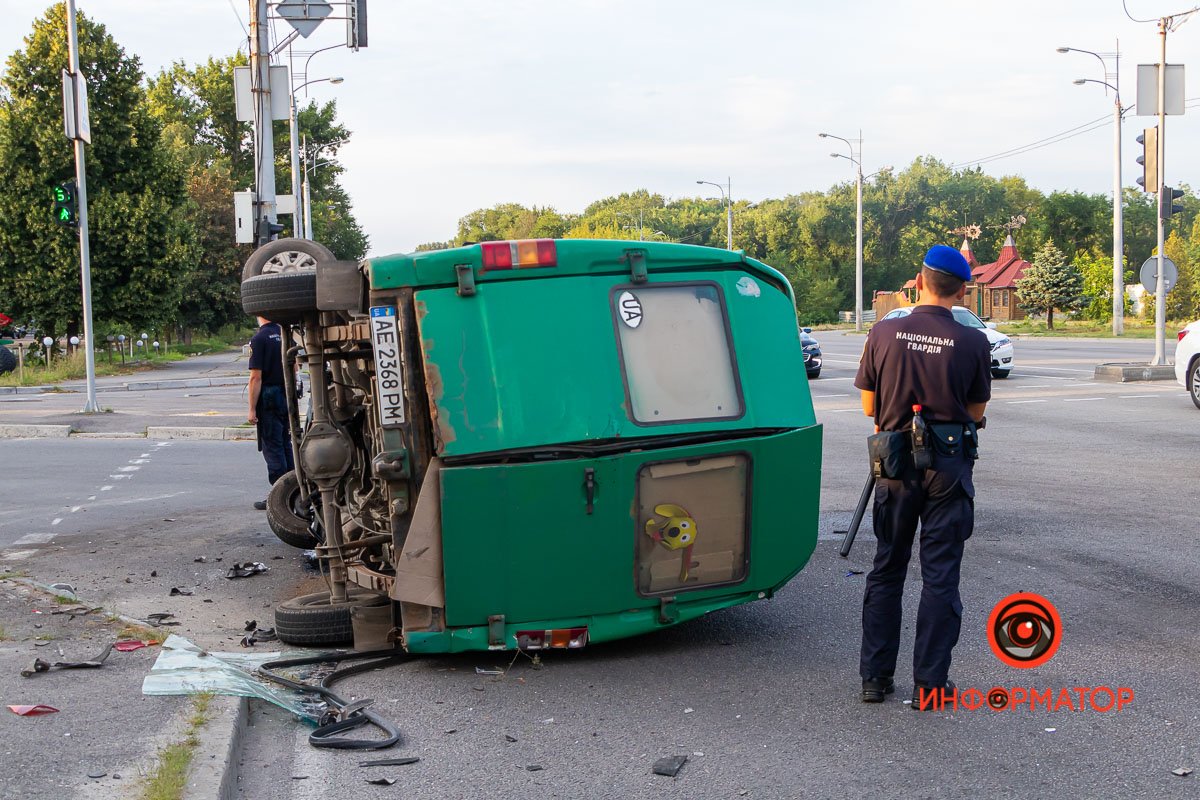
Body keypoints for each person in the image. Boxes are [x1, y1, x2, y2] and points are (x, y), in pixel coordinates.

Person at [853, 244, 991, 709]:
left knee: (887, 568)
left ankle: (875, 679)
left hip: (894, 465)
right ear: (963, 290)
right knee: (940, 575)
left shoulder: (884, 332)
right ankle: (930, 685)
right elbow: (976, 411)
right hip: (948, 466)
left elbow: (870, 407)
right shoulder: (974, 341)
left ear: (919, 280)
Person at [247, 315, 294, 510]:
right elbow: (295, 367)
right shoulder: (284, 335)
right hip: (286, 392)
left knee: (272, 446)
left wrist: (251, 409)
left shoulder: (259, 339)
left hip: (269, 396)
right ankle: (294, 490)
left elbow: (255, 378)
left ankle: (280, 495)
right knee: (285, 444)